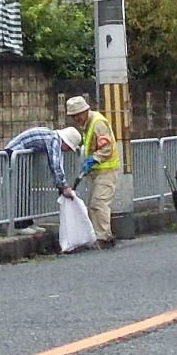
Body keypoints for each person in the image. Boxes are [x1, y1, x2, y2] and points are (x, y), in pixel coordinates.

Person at [65, 95, 118, 248]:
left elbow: (107, 147)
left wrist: (94, 158)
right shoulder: (88, 123)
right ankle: (99, 236)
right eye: (73, 116)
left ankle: (104, 237)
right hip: (97, 170)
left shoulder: (97, 123)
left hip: (106, 169)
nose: (76, 119)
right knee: (93, 204)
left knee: (99, 203)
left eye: (77, 115)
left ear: (85, 111)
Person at [4, 126, 83, 199]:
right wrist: (63, 186)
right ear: (66, 142)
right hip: (14, 153)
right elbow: (55, 164)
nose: (67, 151)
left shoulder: (52, 136)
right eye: (69, 148)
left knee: (19, 188)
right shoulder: (54, 140)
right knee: (18, 189)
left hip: (15, 153)